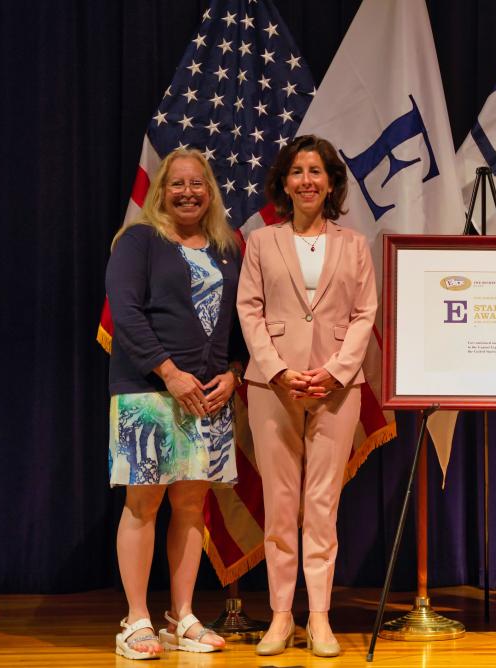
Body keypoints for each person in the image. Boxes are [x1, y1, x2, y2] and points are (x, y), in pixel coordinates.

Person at [237, 135, 377, 657]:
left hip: (336, 391)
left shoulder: (354, 244)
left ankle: (318, 617)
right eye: (297, 172)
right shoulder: (261, 241)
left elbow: (365, 313)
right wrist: (276, 370)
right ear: (283, 183)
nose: (307, 181)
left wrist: (337, 372)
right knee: (280, 504)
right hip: (272, 387)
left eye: (316, 171)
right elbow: (248, 310)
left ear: (332, 181)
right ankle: (280, 616)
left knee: (322, 504)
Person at [106, 148, 242, 659]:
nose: (187, 192)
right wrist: (169, 372)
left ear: (210, 191)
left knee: (191, 504)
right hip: (149, 393)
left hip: (210, 397)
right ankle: (135, 619)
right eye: (176, 184)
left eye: (197, 184)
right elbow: (127, 312)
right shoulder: (139, 240)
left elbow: (239, 322)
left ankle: (181, 616)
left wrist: (234, 373)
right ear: (161, 190)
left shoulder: (228, 247)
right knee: (143, 505)